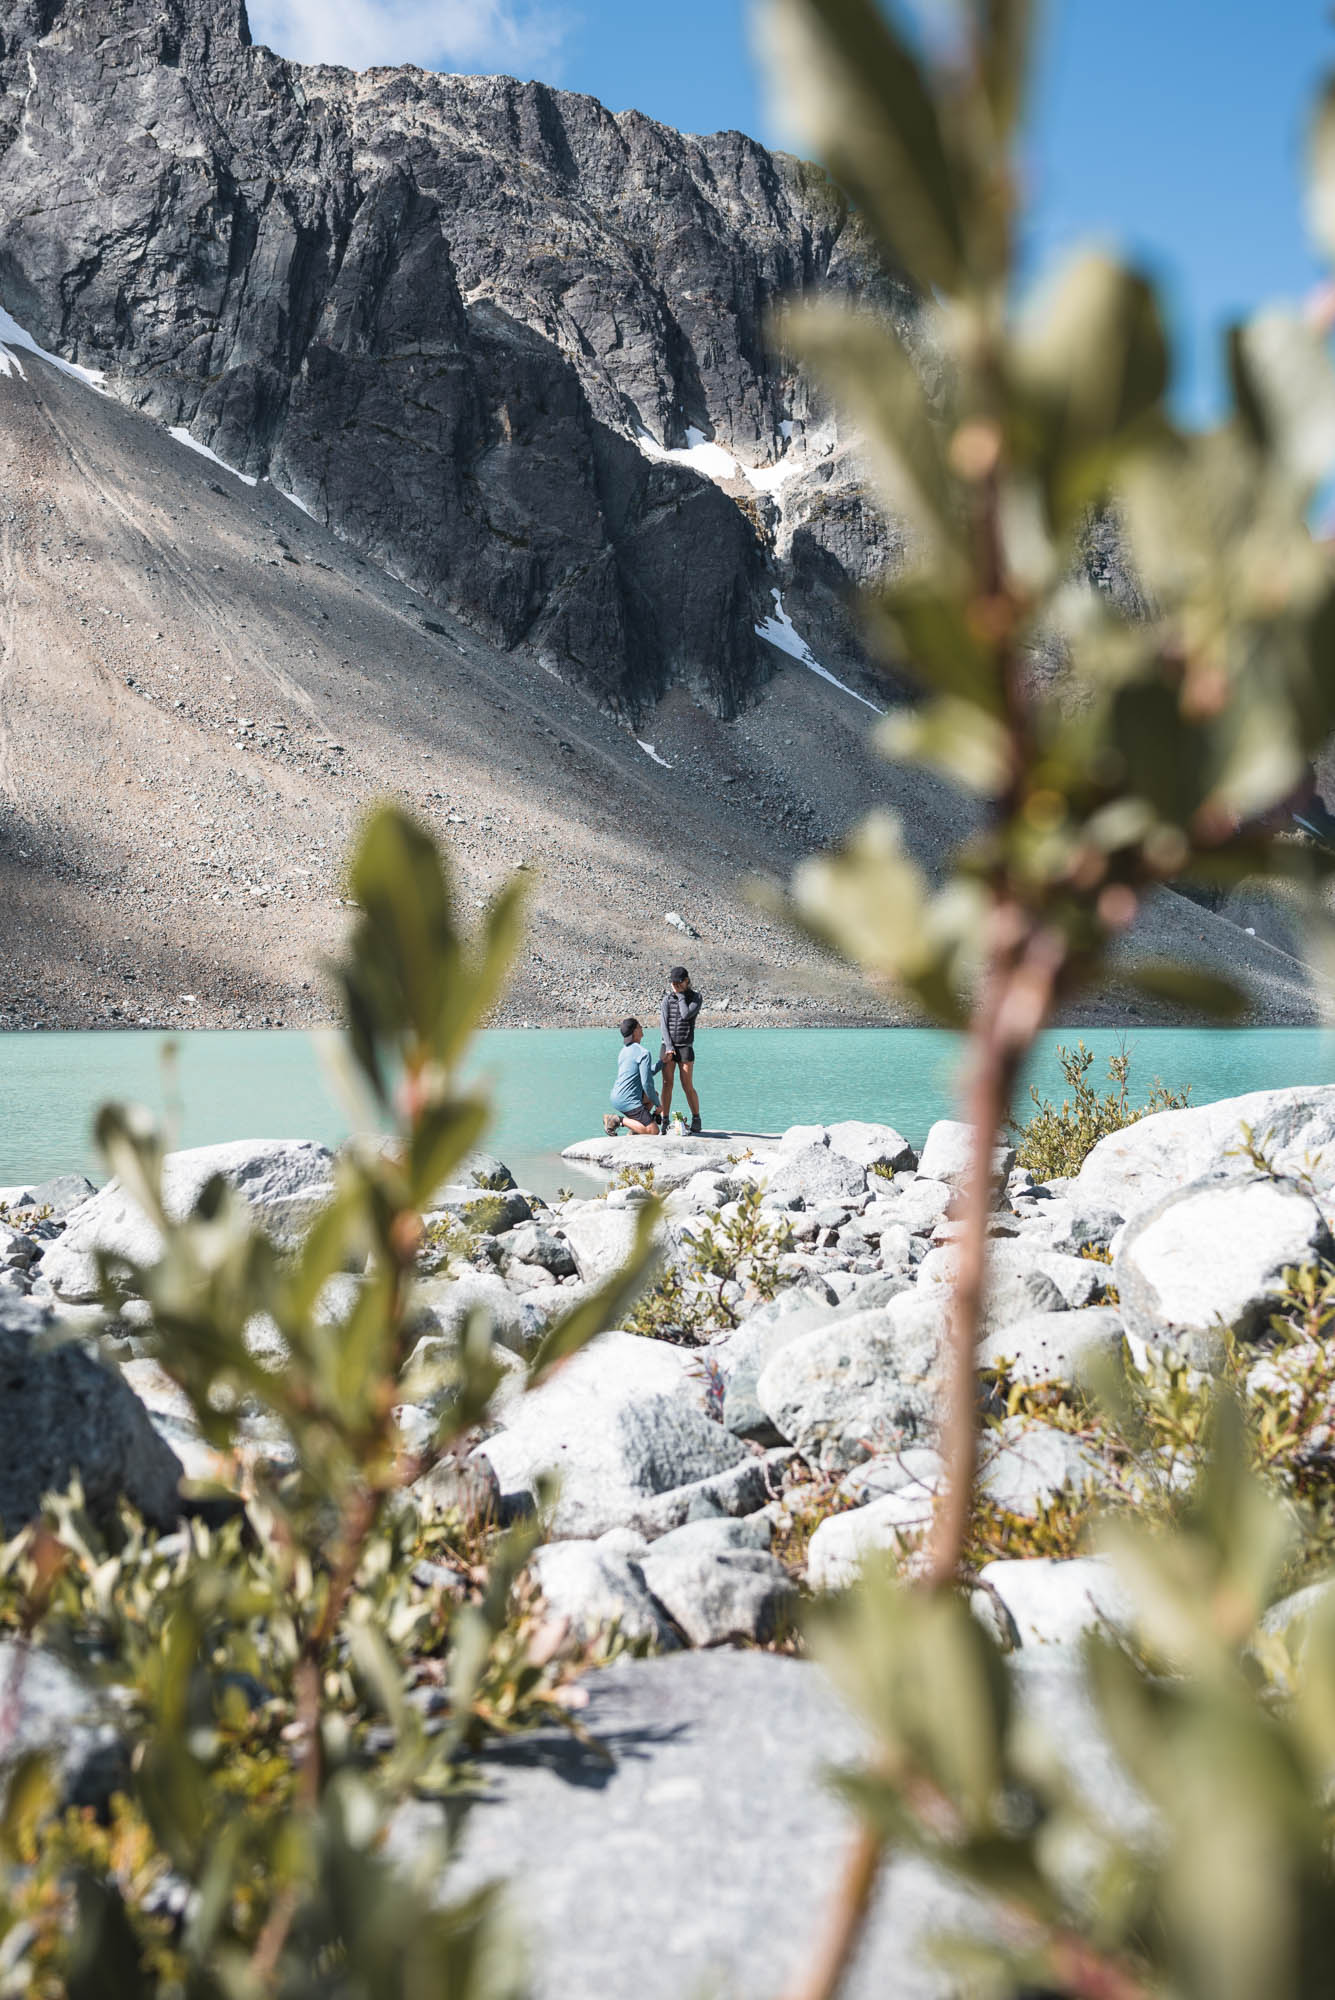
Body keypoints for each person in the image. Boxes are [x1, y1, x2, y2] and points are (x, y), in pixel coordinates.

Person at [659, 965, 702, 1134]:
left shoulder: (696, 998)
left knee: (687, 1085)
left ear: (686, 981)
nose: (675, 986)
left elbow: (685, 1014)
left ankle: (696, 1118)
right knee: (666, 1084)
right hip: (668, 1046)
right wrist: (669, 1047)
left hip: (685, 1046)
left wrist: (680, 996)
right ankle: (665, 1119)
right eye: (673, 983)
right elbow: (663, 1024)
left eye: (678, 983)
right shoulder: (666, 1000)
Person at [604, 1016, 662, 1136]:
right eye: (640, 1026)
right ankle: (616, 1120)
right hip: (628, 1099)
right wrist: (658, 1105)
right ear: (635, 1031)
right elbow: (647, 1084)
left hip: (616, 1096)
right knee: (653, 1131)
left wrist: (662, 1062)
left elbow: (645, 1073)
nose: (642, 1028)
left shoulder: (624, 1051)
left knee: (653, 1095)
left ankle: (636, 1129)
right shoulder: (643, 1053)